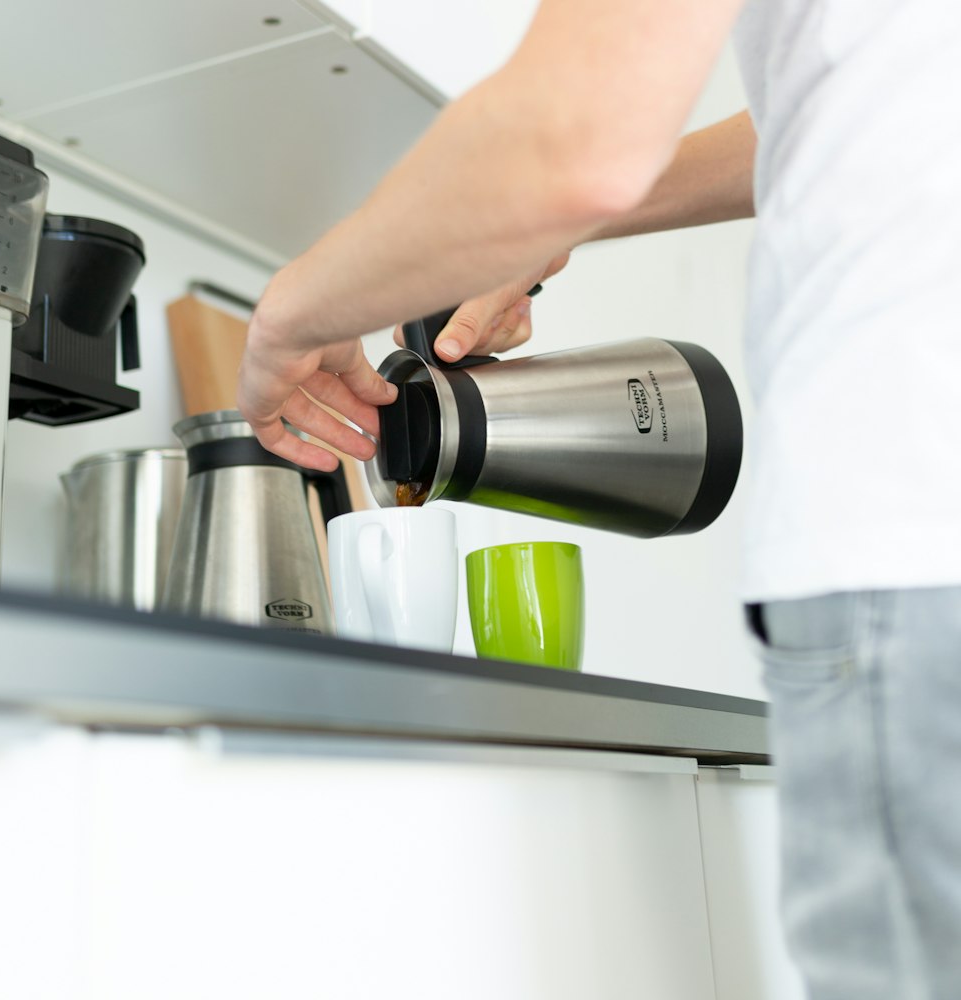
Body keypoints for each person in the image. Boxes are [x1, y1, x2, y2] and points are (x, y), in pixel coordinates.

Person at [237, 1, 961, 997]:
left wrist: (296, 309)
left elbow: (570, 130)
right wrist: (533, 226)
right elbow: (813, 113)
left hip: (913, 544)